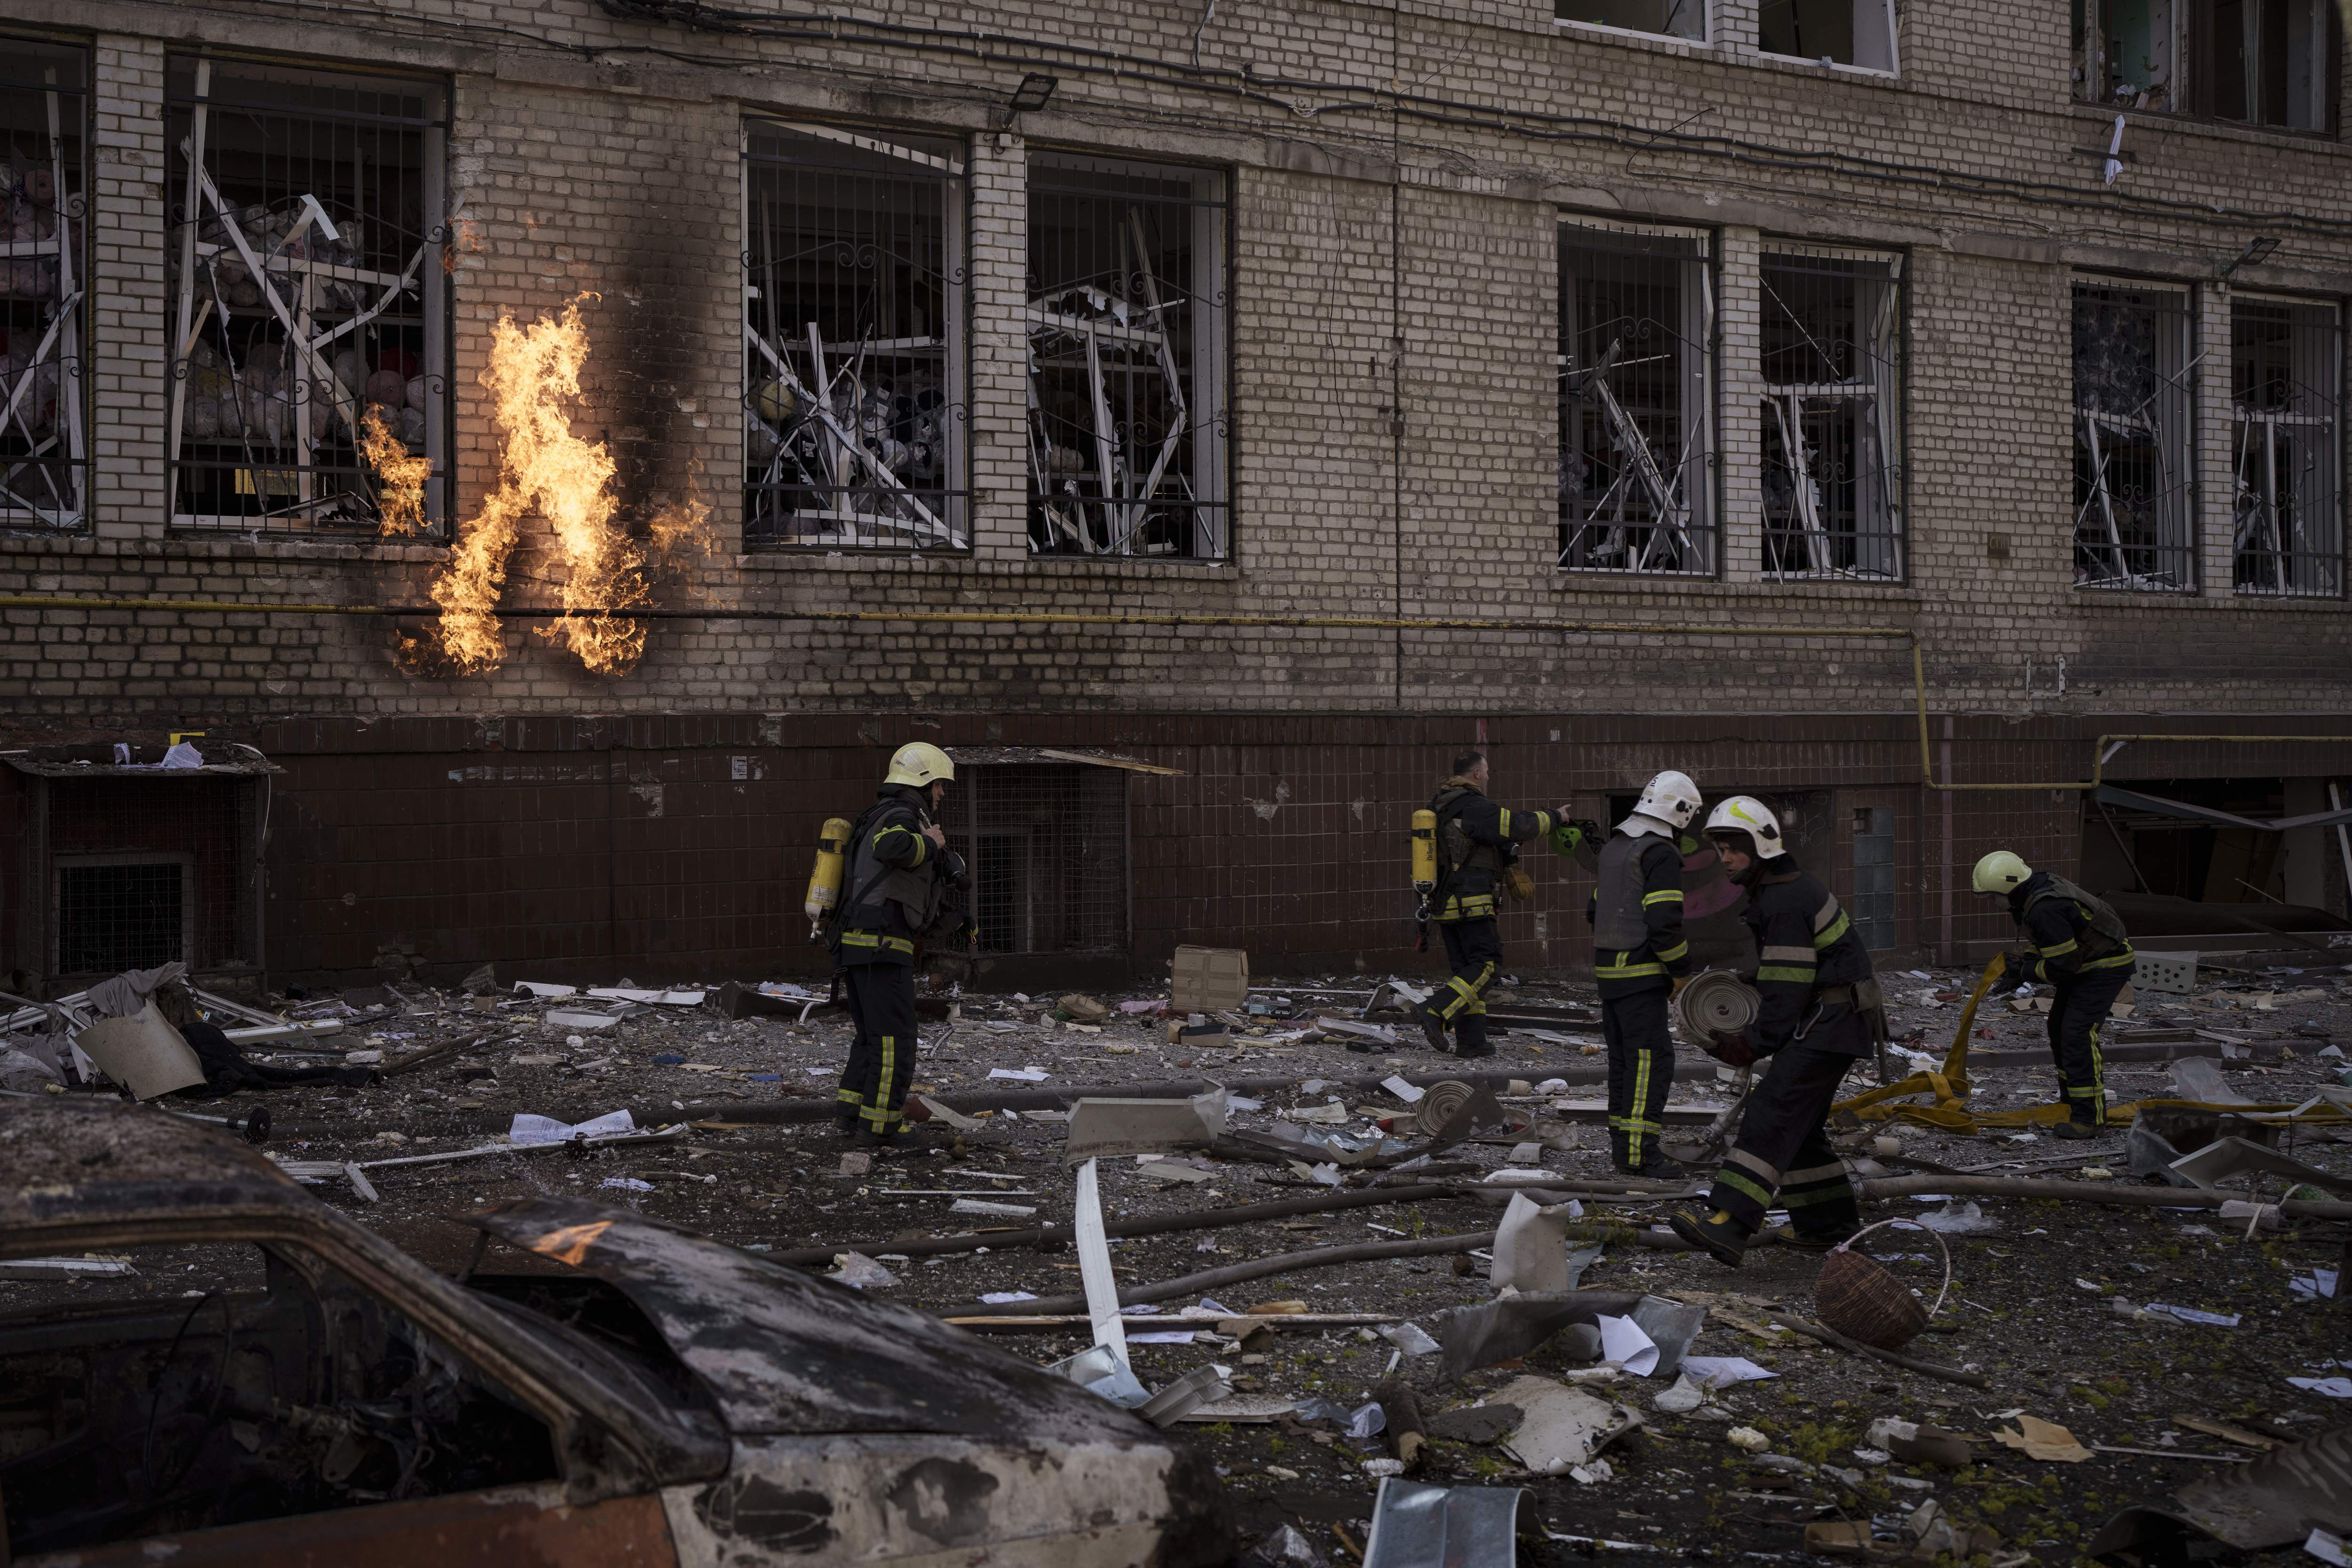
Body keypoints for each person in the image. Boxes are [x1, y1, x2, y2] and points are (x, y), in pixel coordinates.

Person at [1671, 796, 1888, 1268]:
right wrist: (1755, 977)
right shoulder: (1782, 890)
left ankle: (1729, 1223)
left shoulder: (1783, 899)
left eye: (1733, 847)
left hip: (1828, 1024)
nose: (1724, 857)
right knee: (1801, 1129)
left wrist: (1745, 1046)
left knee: (1771, 1110)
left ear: (1760, 846)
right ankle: (1828, 1230)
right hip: (1836, 1021)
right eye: (1721, 848)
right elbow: (1798, 968)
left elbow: (1787, 993)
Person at [828, 741, 969, 1146]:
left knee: (872, 1037)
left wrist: (958, 918)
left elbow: (901, 890)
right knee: (896, 1041)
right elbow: (890, 848)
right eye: (940, 785)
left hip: (859, 947)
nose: (942, 793)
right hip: (881, 948)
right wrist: (933, 844)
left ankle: (851, 1116)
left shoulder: (881, 814)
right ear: (923, 783)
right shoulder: (901, 816)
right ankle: (880, 1128)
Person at [1411, 748, 1575, 1060]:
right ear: (1476, 773)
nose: (1487, 776)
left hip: (1445, 905)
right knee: (1487, 966)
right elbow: (1516, 825)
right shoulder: (1473, 805)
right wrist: (1556, 817)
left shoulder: (1441, 806)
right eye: (1486, 771)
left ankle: (1472, 1041)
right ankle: (1434, 1010)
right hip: (1470, 903)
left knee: (1467, 973)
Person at [1972, 850, 2133, 1139]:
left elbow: (2063, 966)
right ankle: (2071, 1102)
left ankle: (2089, 1119)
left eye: (1994, 895)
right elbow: (2050, 945)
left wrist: (2024, 973)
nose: (1993, 902)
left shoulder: (2044, 908)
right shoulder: (2033, 895)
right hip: (2085, 964)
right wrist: (2024, 965)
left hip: (2103, 967)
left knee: (2077, 1035)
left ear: (2008, 888)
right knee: (2058, 1028)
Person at [1590, 771, 1700, 1177]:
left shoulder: (1616, 848)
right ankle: (1640, 1156)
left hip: (1609, 973)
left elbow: (1594, 910)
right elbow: (1664, 922)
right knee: (1650, 1063)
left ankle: (1625, 1151)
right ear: (1682, 811)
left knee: (1623, 1063)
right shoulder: (1660, 852)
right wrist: (1682, 974)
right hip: (1641, 975)